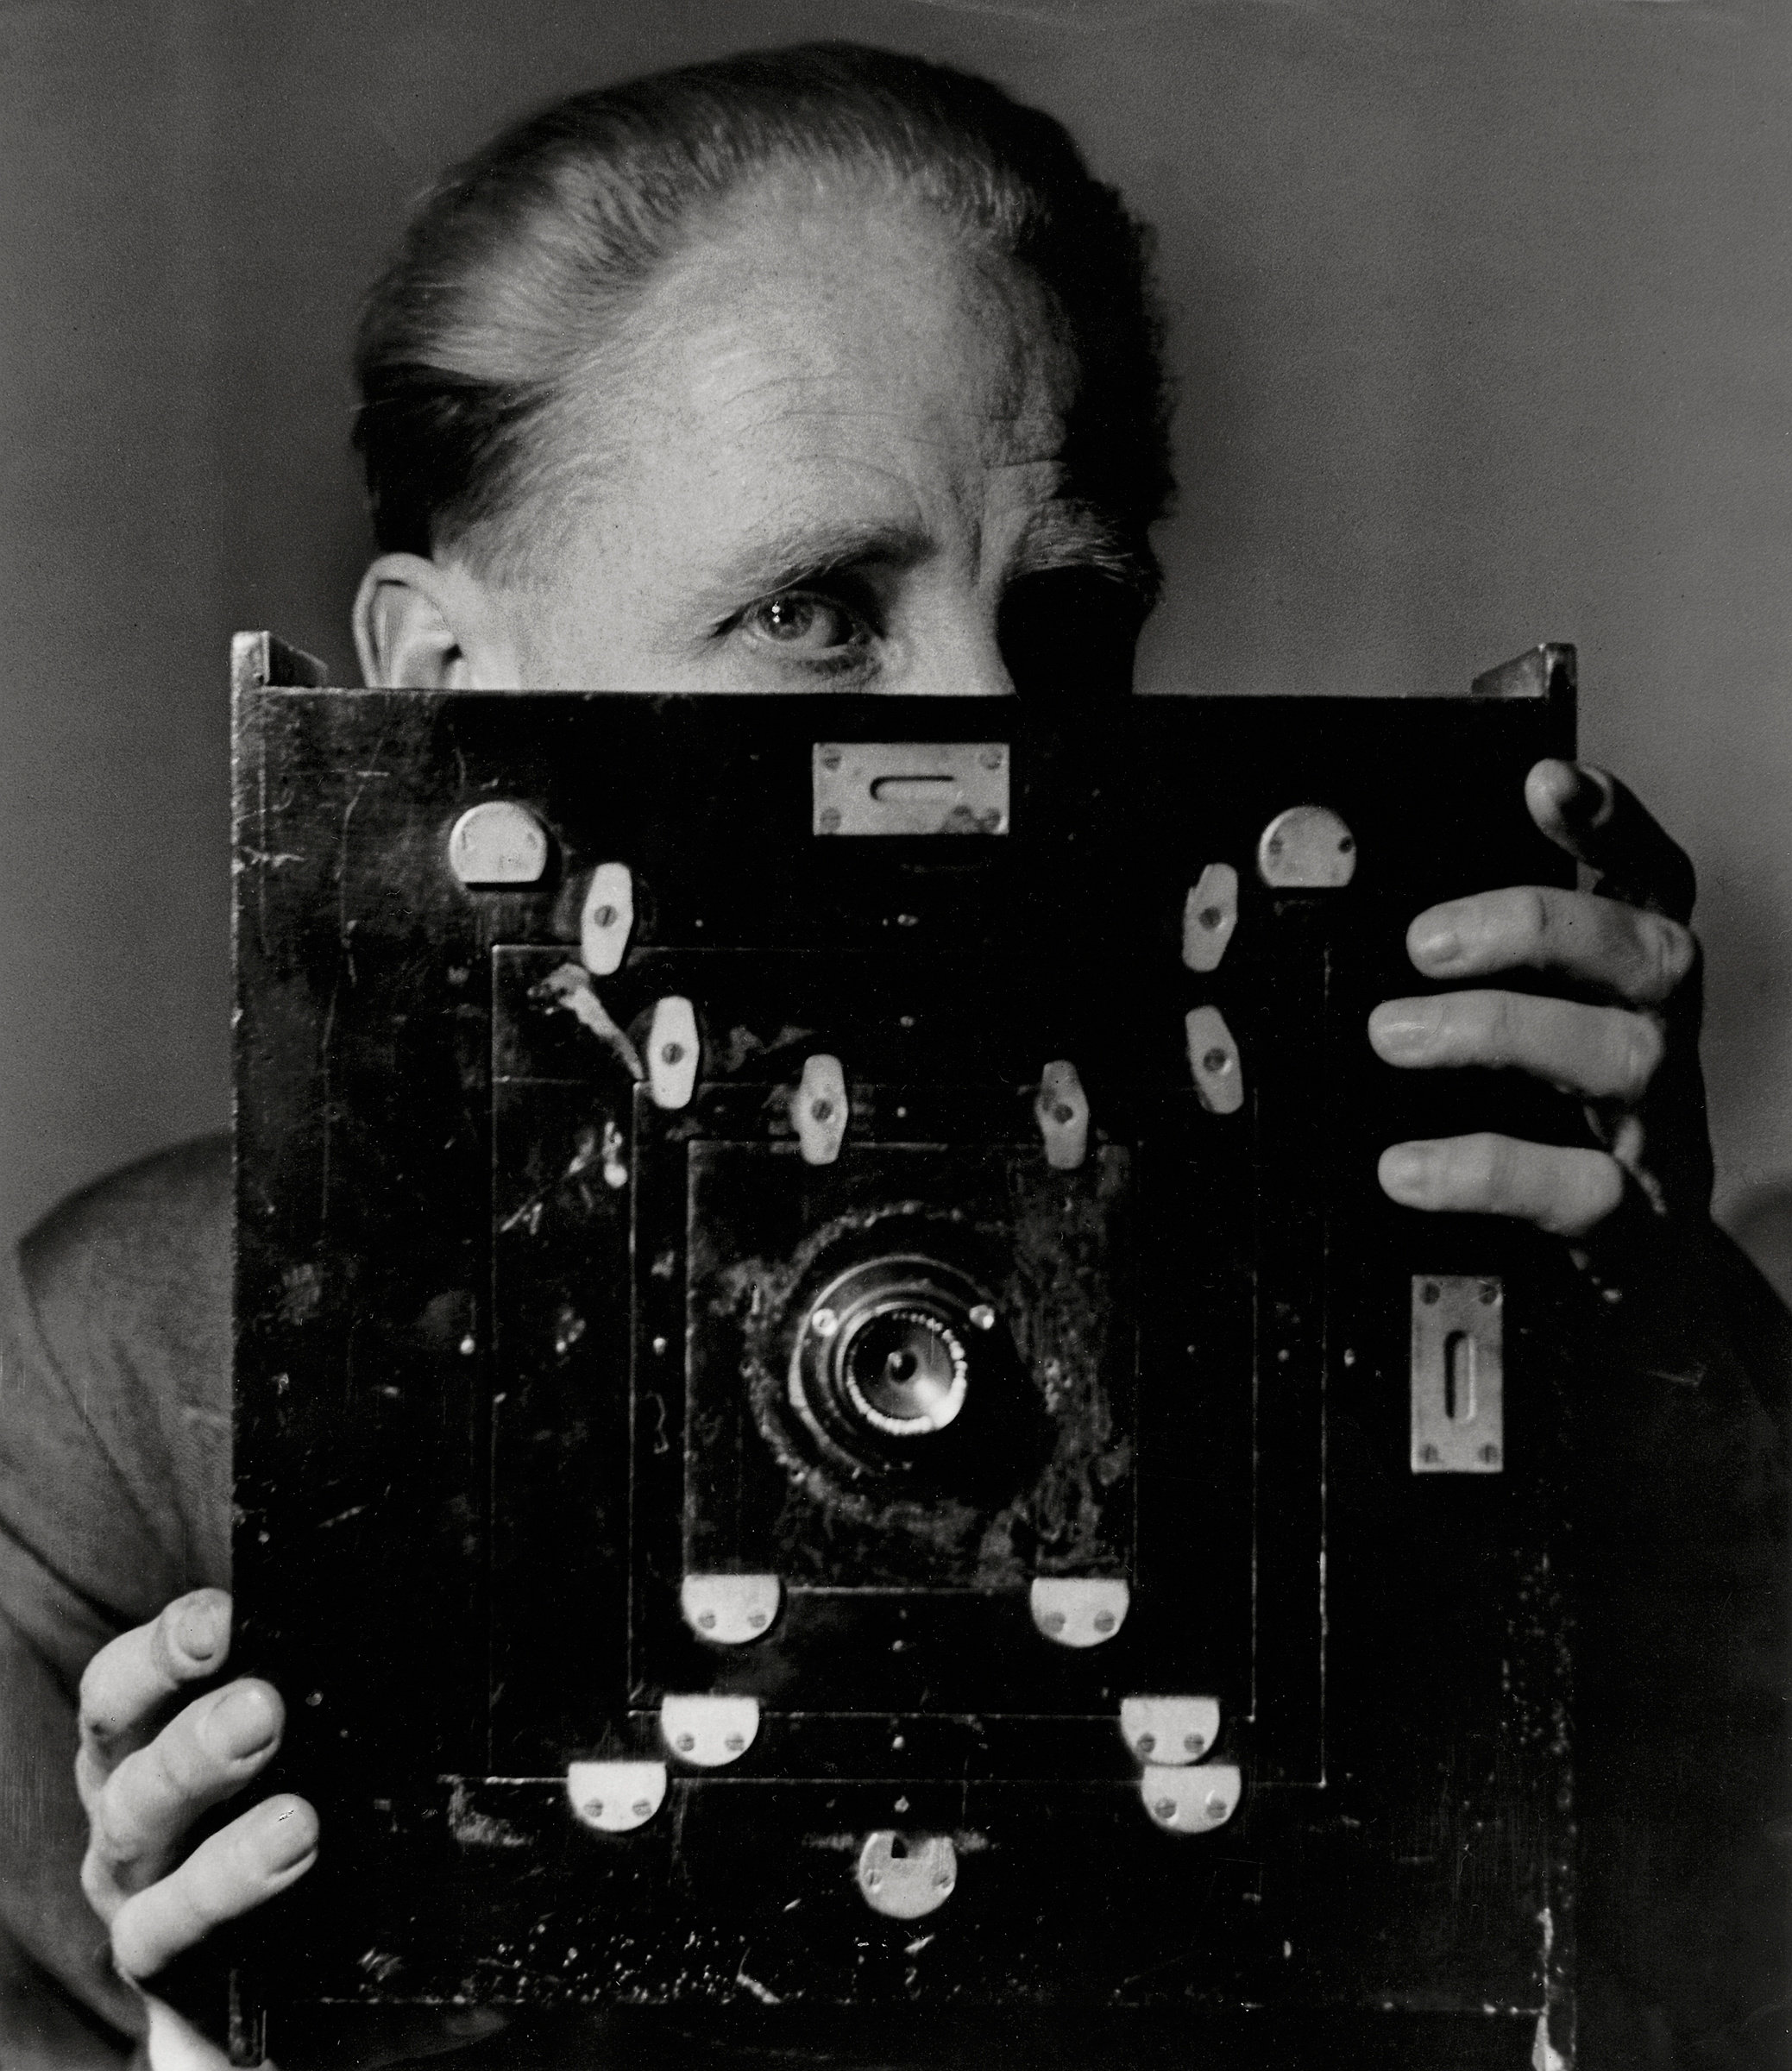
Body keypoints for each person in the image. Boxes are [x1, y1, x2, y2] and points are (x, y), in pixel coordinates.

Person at [0, 42, 1783, 2071]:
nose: (989, 730)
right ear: (437, 685)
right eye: (813, 611)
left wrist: (1671, 1401)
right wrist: (213, 2049)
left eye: (1068, 619)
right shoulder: (139, 1383)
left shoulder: (1430, 1318)